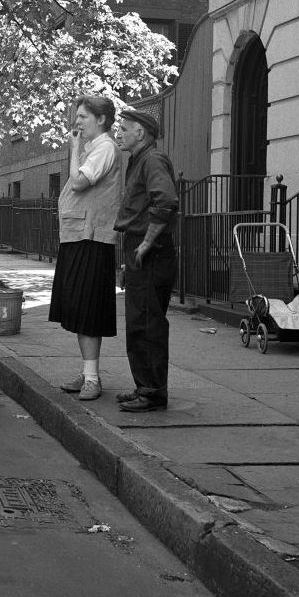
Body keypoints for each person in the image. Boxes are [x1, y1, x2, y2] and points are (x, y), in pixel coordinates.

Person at [50, 95, 122, 401]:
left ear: (101, 119)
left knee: (88, 310)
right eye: (76, 116)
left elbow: (79, 183)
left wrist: (75, 148)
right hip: (80, 236)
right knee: (80, 309)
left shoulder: (105, 147)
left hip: (91, 238)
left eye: (83, 116)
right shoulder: (96, 148)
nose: (76, 121)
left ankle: (92, 378)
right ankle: (87, 372)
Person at [114, 110, 179, 412]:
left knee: (148, 324)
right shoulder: (140, 161)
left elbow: (165, 200)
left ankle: (152, 393)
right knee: (139, 323)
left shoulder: (151, 161)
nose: (120, 133)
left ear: (140, 133)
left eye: (124, 129)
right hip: (143, 254)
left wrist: (147, 243)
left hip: (152, 254)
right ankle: (145, 387)